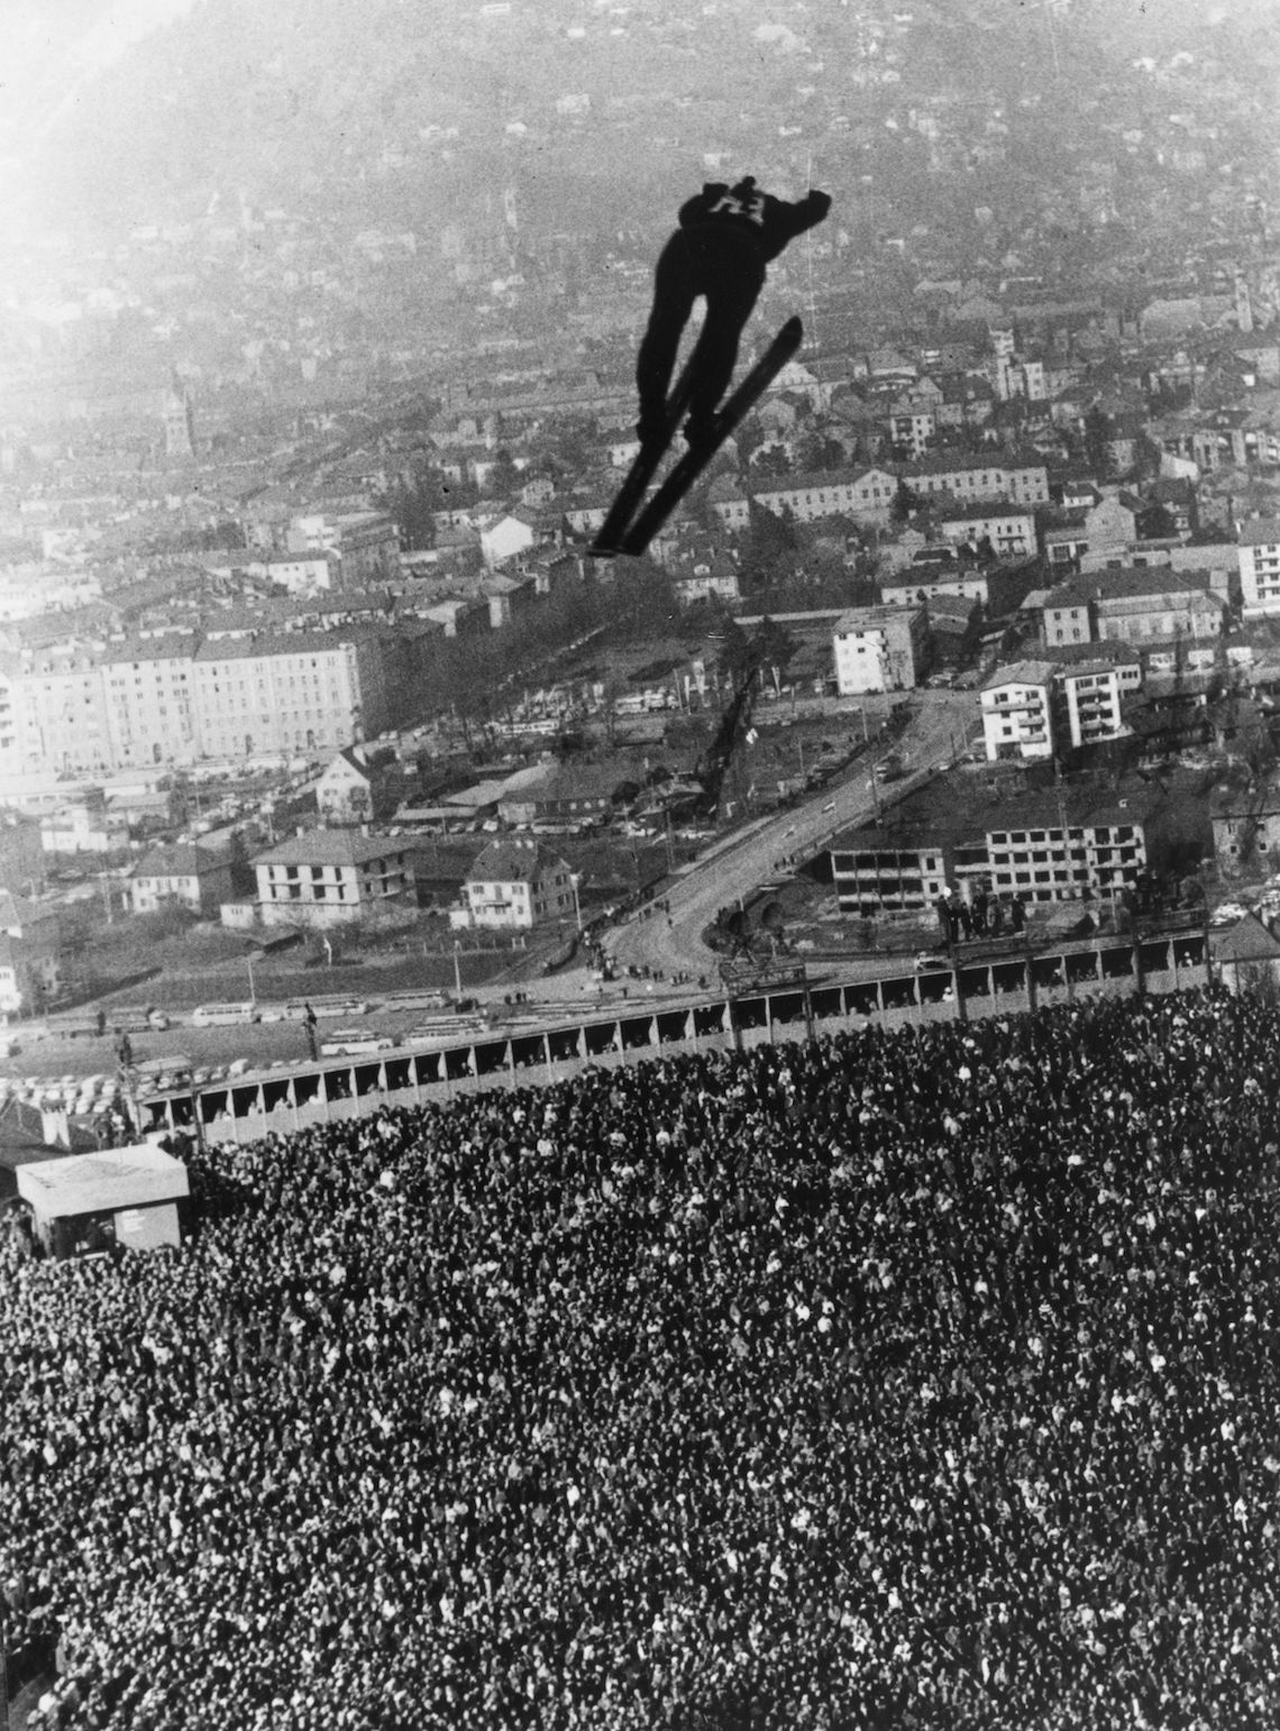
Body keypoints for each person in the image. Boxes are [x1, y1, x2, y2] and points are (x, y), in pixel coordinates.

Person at [634, 175, 832, 448]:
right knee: (720, 338)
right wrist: (819, 198)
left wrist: (713, 196)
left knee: (662, 331)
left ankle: (651, 416)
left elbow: (686, 214)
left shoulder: (716, 200)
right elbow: (812, 211)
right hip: (742, 253)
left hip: (687, 245)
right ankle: (701, 419)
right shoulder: (776, 210)